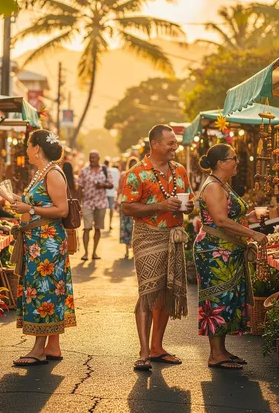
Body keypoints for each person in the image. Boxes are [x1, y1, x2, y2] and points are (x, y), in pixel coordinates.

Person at [0, 129, 75, 366]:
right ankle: (52, 346)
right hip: (37, 242)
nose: (26, 150)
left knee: (44, 290)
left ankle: (38, 350)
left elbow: (62, 210)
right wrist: (2, 192)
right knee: (48, 289)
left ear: (37, 148)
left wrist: (30, 210)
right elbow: (25, 203)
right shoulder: (42, 172)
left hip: (47, 243)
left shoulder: (53, 174)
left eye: (28, 145)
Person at [121, 124, 193, 371]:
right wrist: (160, 206)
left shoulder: (180, 170)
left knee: (165, 291)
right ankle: (143, 352)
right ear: (155, 144)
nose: (175, 146)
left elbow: (189, 199)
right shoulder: (136, 173)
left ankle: (157, 348)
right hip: (147, 237)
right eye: (170, 143)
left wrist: (188, 207)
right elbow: (127, 207)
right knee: (148, 291)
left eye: (175, 142)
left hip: (173, 236)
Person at [195, 144, 268, 370]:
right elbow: (220, 220)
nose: (237, 161)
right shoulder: (213, 186)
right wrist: (253, 233)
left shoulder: (222, 184)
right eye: (233, 158)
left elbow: (228, 215)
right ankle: (215, 354)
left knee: (227, 299)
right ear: (220, 163)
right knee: (217, 299)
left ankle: (222, 350)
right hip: (215, 251)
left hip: (227, 250)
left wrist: (250, 216)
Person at [78, 150, 111, 261]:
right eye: (90, 157)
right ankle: (86, 253)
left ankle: (94, 252)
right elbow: (79, 187)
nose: (91, 159)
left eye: (94, 157)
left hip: (101, 203)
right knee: (86, 228)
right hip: (87, 203)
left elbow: (111, 184)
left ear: (98, 158)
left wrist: (103, 185)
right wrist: (78, 204)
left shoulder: (105, 170)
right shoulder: (84, 171)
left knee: (97, 229)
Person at [118, 164, 134, 259]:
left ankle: (132, 250)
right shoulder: (124, 174)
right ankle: (127, 250)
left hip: (134, 204)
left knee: (132, 227)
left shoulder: (140, 175)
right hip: (126, 203)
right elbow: (120, 189)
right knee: (126, 227)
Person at [105, 160, 121, 231]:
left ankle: (102, 224)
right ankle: (109, 224)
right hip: (112, 192)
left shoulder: (106, 170)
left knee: (103, 209)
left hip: (105, 192)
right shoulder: (116, 171)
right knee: (111, 209)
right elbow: (117, 182)